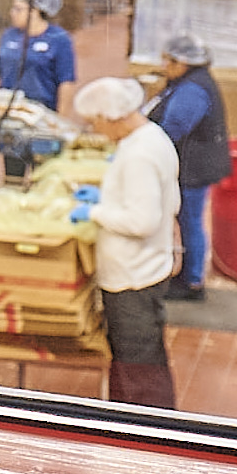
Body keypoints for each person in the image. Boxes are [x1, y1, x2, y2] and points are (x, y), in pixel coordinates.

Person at [69, 76, 182, 408]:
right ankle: (127, 425)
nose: (98, 131)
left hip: (133, 280)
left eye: (96, 123)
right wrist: (107, 197)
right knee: (135, 363)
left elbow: (142, 221)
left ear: (111, 116)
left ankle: (150, 437)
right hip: (146, 270)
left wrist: (96, 212)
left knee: (140, 371)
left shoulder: (138, 156)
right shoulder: (150, 137)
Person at [147, 32, 232, 302]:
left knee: (190, 221)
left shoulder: (193, 89)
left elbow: (174, 128)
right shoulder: (184, 82)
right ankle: (186, 275)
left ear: (183, 63)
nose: (164, 66)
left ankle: (193, 282)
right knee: (186, 220)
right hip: (189, 164)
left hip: (194, 168)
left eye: (168, 61)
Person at [0, 0, 76, 111]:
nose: (12, 12)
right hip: (6, 107)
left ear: (35, 11)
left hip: (41, 110)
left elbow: (66, 82)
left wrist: (61, 119)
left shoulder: (58, 39)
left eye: (18, 9)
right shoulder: (10, 35)